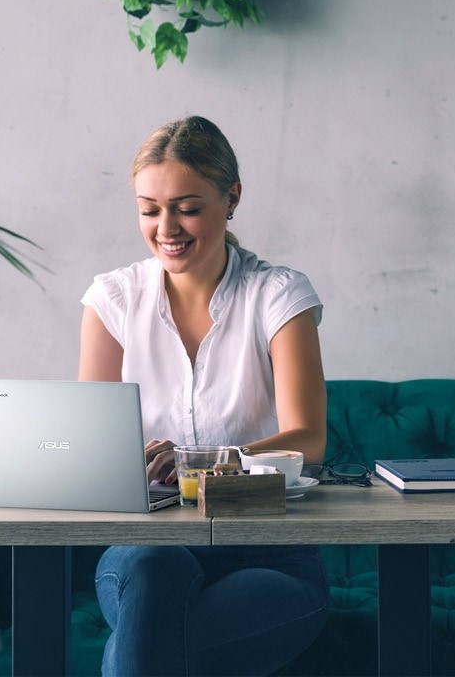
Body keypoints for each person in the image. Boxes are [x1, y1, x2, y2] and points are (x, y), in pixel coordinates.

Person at [78, 115, 329, 676]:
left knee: (149, 646)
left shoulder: (277, 295)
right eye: (149, 209)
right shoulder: (112, 299)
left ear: (231, 196)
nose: (166, 226)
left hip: (270, 552)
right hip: (145, 547)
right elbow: (89, 445)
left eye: (187, 207)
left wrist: (197, 462)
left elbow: (309, 440)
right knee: (152, 570)